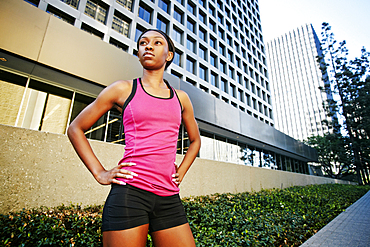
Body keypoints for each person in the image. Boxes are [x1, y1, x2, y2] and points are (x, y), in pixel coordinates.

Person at [67, 29, 201, 247]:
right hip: (129, 193)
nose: (148, 46)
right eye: (143, 43)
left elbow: (195, 141)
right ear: (138, 53)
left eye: (157, 43)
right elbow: (76, 128)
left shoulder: (181, 98)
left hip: (169, 196)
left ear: (169, 55)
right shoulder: (122, 89)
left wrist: (181, 172)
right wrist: (100, 173)